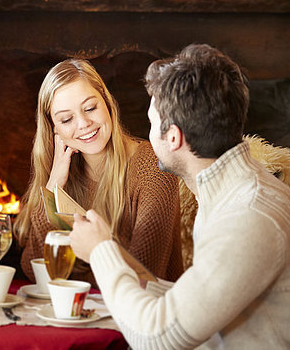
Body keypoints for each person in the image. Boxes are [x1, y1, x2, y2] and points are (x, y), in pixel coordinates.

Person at [70, 44, 290, 349]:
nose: (148, 134)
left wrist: (100, 251)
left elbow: (158, 337)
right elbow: (202, 299)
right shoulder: (230, 192)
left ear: (173, 137)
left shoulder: (247, 216)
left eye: (151, 123)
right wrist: (121, 261)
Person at [15, 58, 183, 287]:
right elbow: (36, 270)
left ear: (107, 103)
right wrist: (52, 190)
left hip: (143, 316)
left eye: (90, 108)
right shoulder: (65, 176)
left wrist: (73, 276)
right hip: (81, 313)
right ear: (55, 129)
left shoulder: (154, 168)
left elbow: (144, 277)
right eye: (66, 119)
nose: (83, 123)